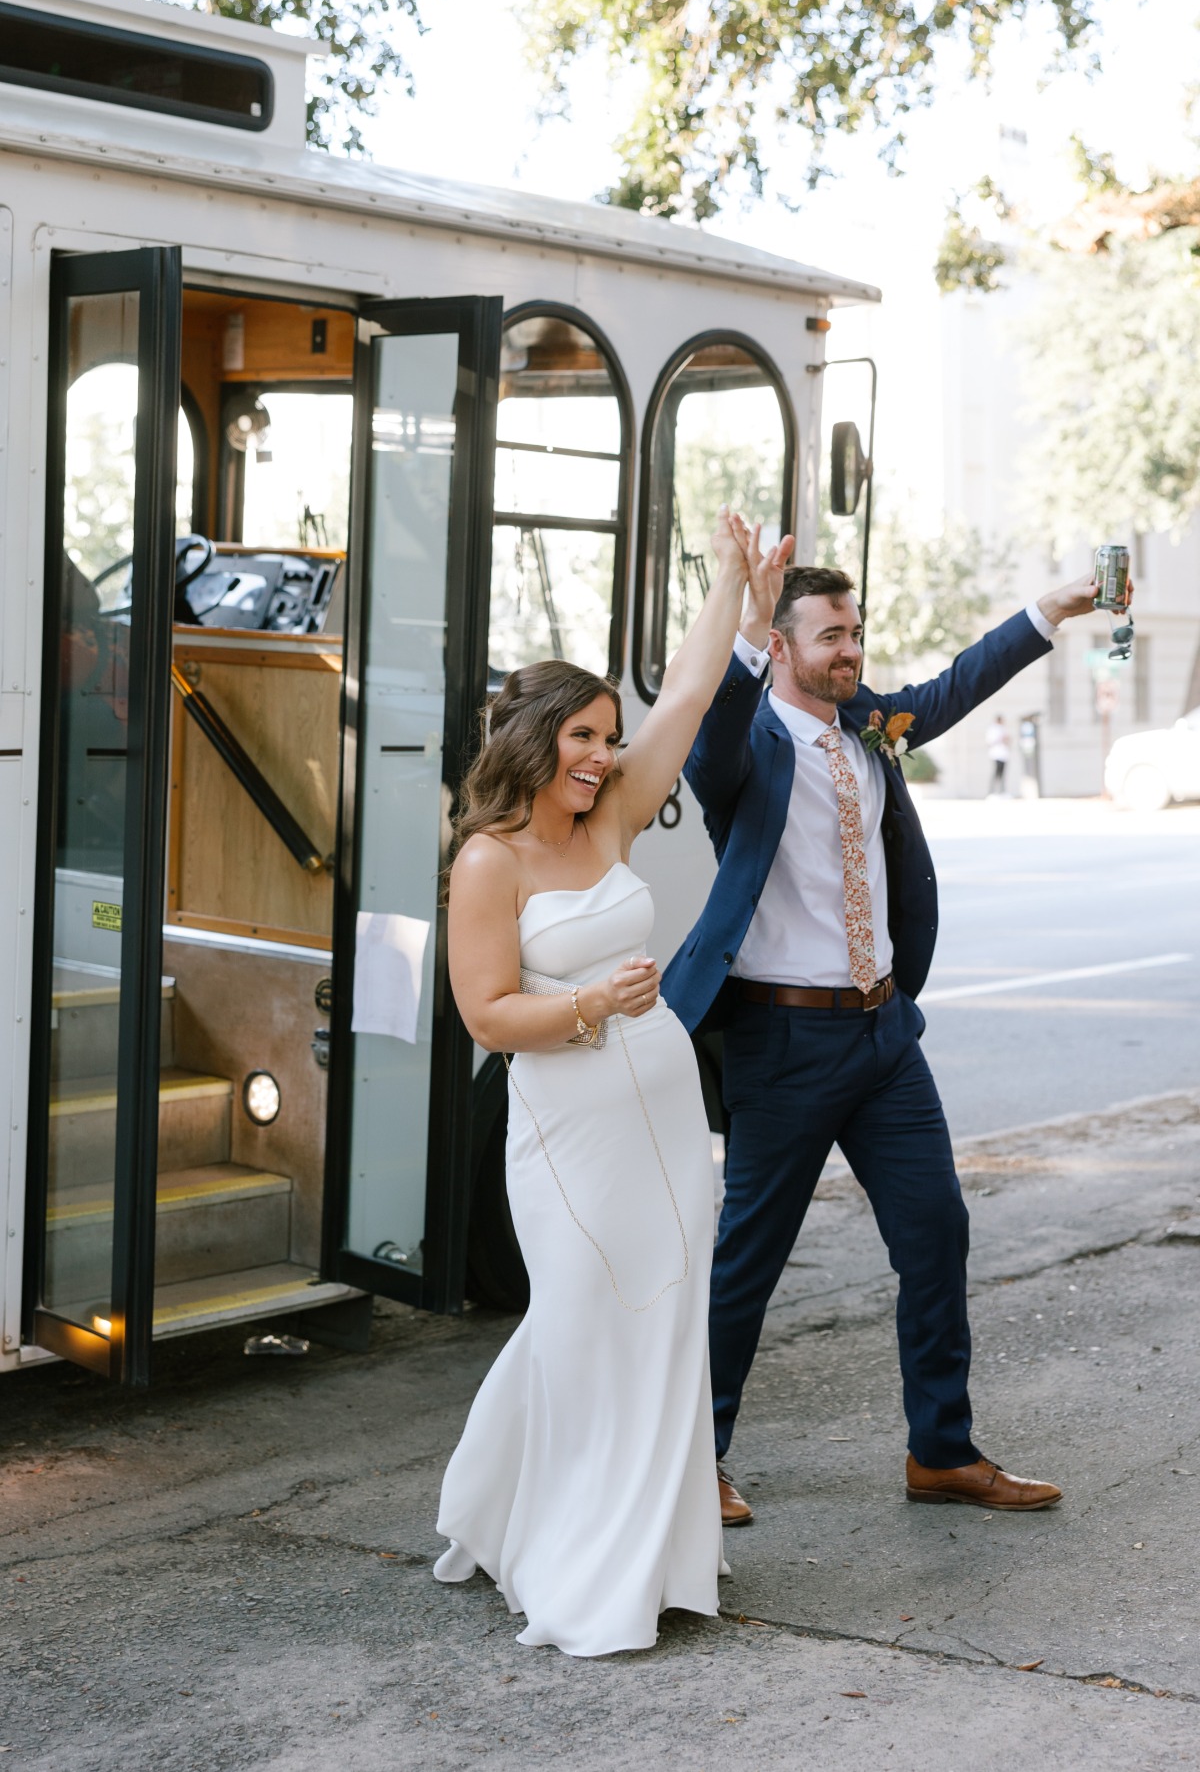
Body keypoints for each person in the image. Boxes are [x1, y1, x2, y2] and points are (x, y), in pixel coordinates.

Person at [661, 529, 1115, 1525]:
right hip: (779, 1043)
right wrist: (741, 624)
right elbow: (712, 742)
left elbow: (951, 688)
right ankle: (692, 1455)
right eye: (830, 634)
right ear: (780, 648)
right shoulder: (746, 747)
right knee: (751, 1255)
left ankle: (941, 1448)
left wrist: (1051, 608)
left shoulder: (867, 722)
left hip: (881, 1036)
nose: (850, 649)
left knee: (937, 1228)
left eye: (855, 631)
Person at [433, 508, 795, 1656]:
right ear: (533, 739)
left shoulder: (616, 814)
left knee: (663, 1323)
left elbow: (688, 693)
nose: (601, 754)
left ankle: (661, 1554)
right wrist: (593, 1003)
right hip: (569, 1125)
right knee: (586, 1321)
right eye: (582, 735)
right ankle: (563, 1543)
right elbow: (486, 1013)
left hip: (665, 1116)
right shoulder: (490, 860)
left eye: (607, 736)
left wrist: (741, 586)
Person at [986, 713, 1010, 795]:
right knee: (996, 774)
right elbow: (990, 742)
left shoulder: (1003, 728)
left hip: (1004, 755)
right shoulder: (993, 729)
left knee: (1002, 774)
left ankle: (1002, 791)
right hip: (996, 755)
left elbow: (1007, 740)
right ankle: (992, 792)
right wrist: (1000, 739)